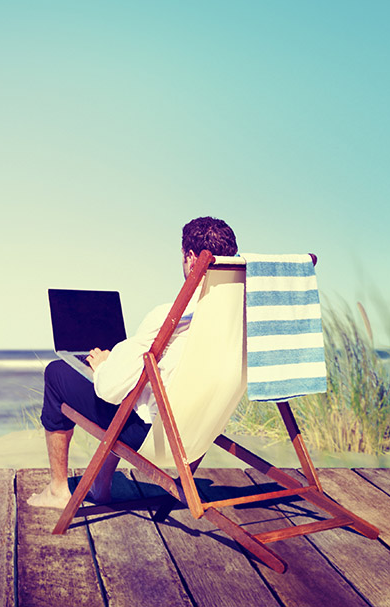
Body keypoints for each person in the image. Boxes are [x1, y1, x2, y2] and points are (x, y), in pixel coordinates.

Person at [27, 216, 238, 508]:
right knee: (135, 384)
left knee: (58, 373)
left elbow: (110, 390)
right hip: (199, 433)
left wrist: (103, 366)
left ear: (190, 258)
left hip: (151, 439)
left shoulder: (171, 316)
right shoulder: (236, 325)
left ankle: (58, 490)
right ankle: (100, 484)